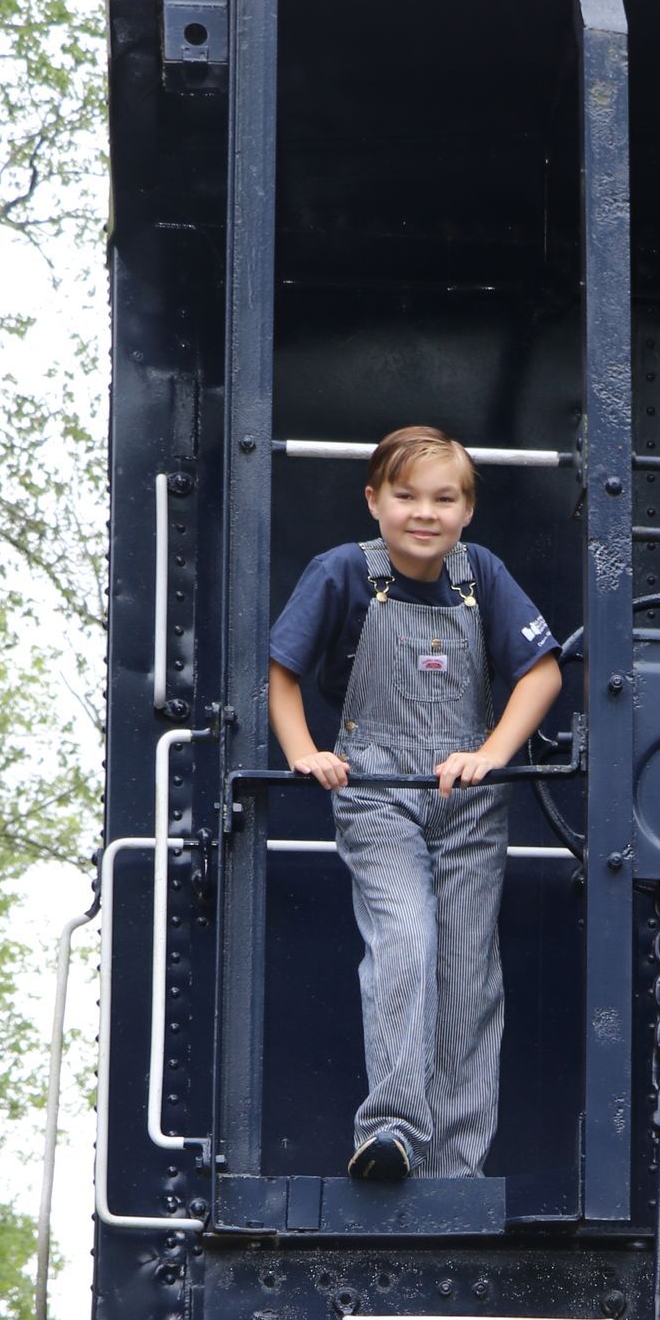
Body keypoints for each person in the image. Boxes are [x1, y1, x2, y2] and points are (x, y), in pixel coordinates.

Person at [266, 424, 563, 1181]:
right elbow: (283, 672)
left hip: (468, 797)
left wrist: (492, 754)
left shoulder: (481, 576)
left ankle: (454, 1168)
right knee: (405, 940)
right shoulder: (342, 573)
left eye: (444, 498)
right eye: (405, 496)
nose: (423, 513)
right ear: (374, 501)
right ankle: (392, 1128)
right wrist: (305, 752)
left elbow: (542, 674)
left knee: (470, 974)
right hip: (375, 792)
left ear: (467, 511)